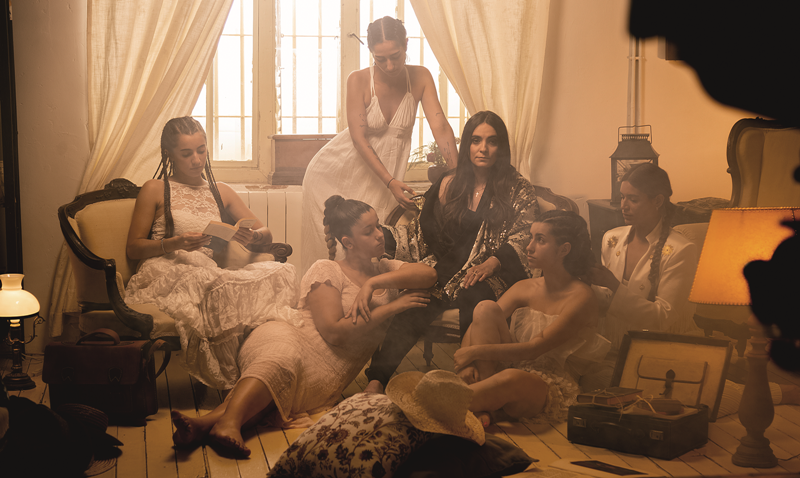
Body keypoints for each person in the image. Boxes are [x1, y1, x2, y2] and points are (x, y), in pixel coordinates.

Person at [170, 195, 438, 457]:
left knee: (282, 392)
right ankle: (228, 425)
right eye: (369, 231)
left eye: (378, 226)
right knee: (282, 360)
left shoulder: (385, 268)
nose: (380, 235)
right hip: (291, 335)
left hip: (330, 370)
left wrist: (373, 283)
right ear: (348, 242)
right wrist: (391, 307)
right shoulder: (327, 269)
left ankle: (201, 426)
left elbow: (430, 274)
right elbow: (334, 333)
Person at [587, 163, 800, 414]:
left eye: (633, 199)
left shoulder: (680, 250)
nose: (624, 205)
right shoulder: (612, 238)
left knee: (692, 403)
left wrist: (613, 285)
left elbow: (662, 317)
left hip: (663, 347)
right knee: (596, 387)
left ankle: (782, 392)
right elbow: (606, 300)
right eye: (622, 197)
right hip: (615, 348)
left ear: (658, 201)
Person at [364, 111, 539, 393]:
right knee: (414, 304)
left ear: (501, 147)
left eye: (492, 141)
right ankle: (376, 382)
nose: (483, 148)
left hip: (492, 272)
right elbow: (423, 233)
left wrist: (493, 263)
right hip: (446, 267)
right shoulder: (450, 182)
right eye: (476, 140)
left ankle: (478, 384)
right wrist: (382, 237)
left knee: (474, 295)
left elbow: (524, 234)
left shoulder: (518, 188)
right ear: (467, 144)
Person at [125, 116, 298, 390]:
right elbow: (134, 248)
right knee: (212, 283)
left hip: (207, 272)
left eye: (201, 150)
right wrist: (175, 243)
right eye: (186, 153)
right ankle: (230, 381)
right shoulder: (155, 189)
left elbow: (266, 232)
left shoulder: (221, 191)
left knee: (281, 270)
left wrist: (253, 236)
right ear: (169, 154)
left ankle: (262, 365)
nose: (196, 160)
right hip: (166, 271)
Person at [301, 16, 459, 274]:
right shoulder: (358, 80)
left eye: (395, 56)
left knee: (374, 247)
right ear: (371, 53)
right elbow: (358, 138)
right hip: (334, 174)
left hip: (383, 180)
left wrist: (458, 175)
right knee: (338, 251)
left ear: (406, 44)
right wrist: (390, 182)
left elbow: (440, 126)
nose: (390, 65)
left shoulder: (420, 77)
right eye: (380, 59)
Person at [452, 210, 611, 425]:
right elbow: (477, 324)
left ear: (564, 250)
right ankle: (485, 407)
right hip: (509, 369)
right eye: (531, 237)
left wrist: (475, 352)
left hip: (546, 385)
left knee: (511, 378)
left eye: (540, 240)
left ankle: (441, 404)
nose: (529, 246)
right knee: (485, 308)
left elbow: (534, 349)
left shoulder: (581, 297)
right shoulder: (525, 287)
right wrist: (466, 364)